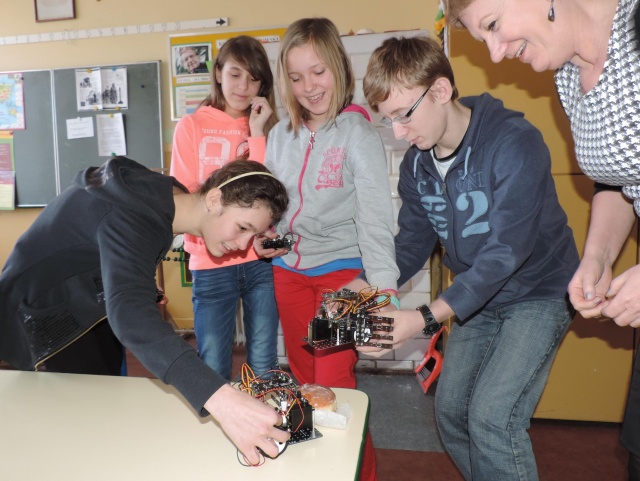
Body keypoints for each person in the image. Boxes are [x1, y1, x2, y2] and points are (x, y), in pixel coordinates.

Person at [359, 35, 579, 480]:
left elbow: (505, 254)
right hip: (477, 298)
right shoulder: (417, 165)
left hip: (538, 292)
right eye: (388, 121)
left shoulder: (514, 142)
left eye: (403, 114)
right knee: (452, 414)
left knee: (493, 418)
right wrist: (368, 286)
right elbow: (412, 243)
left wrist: (424, 317)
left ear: (440, 90)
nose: (398, 133)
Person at [445, 0, 640, 477]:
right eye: (483, 39)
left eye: (493, 26)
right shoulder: (567, 75)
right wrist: (597, 256)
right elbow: (616, 181)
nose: (495, 53)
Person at [0, 156, 290, 464]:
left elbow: (109, 252)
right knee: (74, 428)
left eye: (253, 235)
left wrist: (141, 286)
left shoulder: (165, 198)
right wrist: (220, 397)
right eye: (243, 227)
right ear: (214, 199)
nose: (244, 245)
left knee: (105, 410)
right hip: (42, 318)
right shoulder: (134, 214)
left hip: (86, 304)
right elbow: (129, 313)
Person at [255, 17, 399, 481]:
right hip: (290, 274)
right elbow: (276, 209)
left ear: (338, 66)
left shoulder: (358, 134)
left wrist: (384, 295)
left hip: (343, 277)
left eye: (317, 72)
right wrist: (266, 235)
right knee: (305, 389)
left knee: (335, 390)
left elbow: (376, 221)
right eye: (296, 77)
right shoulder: (280, 135)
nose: (309, 87)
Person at [171, 35, 280, 381]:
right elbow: (186, 193)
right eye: (235, 74)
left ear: (263, 85)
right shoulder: (191, 126)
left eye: (253, 78)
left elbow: (266, 196)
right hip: (210, 261)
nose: (243, 87)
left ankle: (262, 417)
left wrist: (257, 134)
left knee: (264, 365)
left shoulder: (268, 129)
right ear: (218, 73)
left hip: (259, 260)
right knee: (213, 367)